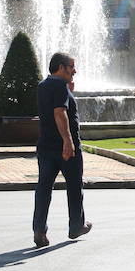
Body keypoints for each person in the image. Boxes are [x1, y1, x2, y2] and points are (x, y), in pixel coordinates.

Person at [33, 53, 92, 248]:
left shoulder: (44, 86)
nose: (74, 70)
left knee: (44, 188)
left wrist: (68, 92)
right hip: (65, 148)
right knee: (75, 186)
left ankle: (39, 230)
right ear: (61, 67)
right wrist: (68, 141)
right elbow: (59, 113)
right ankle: (76, 225)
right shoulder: (59, 86)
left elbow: (52, 109)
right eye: (71, 67)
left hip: (45, 146)